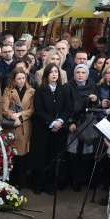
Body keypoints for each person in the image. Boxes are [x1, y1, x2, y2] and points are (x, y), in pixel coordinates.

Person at [31, 64, 71, 194]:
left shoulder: (63, 90)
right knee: (41, 157)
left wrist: (59, 121)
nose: (54, 74)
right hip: (43, 129)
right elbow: (39, 110)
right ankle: (38, 184)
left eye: (56, 72)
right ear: (46, 75)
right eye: (51, 72)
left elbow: (67, 108)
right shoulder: (40, 89)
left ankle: (50, 185)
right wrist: (51, 122)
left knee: (54, 158)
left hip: (59, 131)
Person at [0, 69, 34, 187]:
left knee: (24, 155)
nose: (21, 81)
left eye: (23, 78)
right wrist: (12, 115)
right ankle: (12, 181)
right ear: (14, 80)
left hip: (25, 126)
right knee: (13, 155)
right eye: (19, 78)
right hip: (12, 127)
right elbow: (4, 108)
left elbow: (32, 109)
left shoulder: (31, 91)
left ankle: (22, 181)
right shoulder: (8, 91)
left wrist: (20, 115)